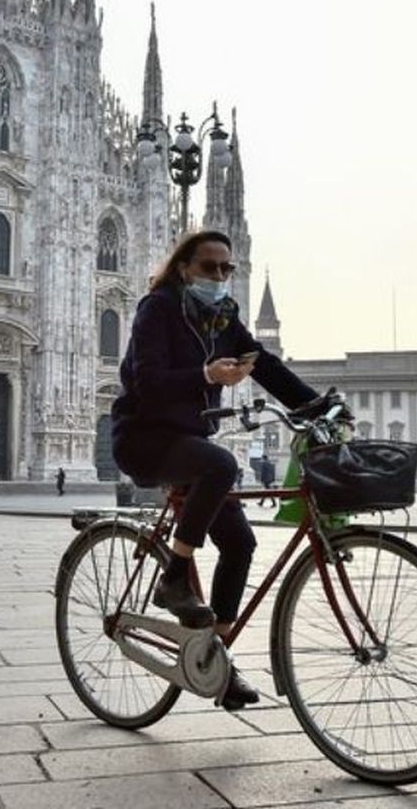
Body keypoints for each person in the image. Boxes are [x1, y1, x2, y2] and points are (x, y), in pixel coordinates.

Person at [111, 230, 318, 712]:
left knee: (241, 543)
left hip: (187, 441)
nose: (221, 276)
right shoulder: (158, 308)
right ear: (184, 267)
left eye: (227, 269)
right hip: (143, 438)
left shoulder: (223, 318)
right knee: (220, 463)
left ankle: (215, 660)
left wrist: (316, 404)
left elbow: (261, 362)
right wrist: (206, 375)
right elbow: (149, 382)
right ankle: (174, 577)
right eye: (210, 267)